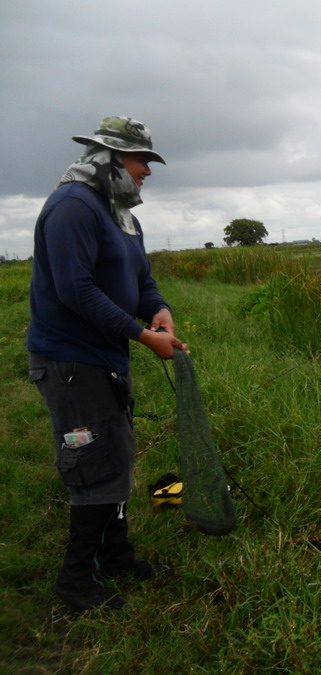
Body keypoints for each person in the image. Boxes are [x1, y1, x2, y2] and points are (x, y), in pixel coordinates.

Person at [27, 116, 186, 611]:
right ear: (111, 158)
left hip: (105, 359)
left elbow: (141, 279)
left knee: (114, 456)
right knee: (93, 463)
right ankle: (76, 584)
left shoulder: (122, 215)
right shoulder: (72, 208)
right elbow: (76, 291)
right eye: (141, 161)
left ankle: (116, 558)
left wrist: (157, 310)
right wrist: (141, 336)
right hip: (71, 360)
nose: (147, 172)